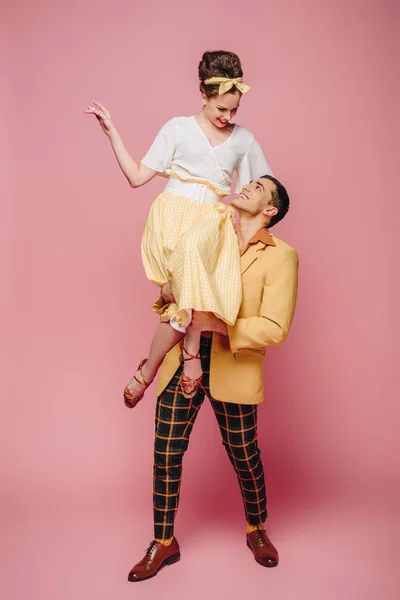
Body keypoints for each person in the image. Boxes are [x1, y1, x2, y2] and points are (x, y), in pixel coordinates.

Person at [127, 174, 299, 582]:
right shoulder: (209, 230)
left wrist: (219, 325)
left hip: (234, 364)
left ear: (270, 210)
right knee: (165, 452)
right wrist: (171, 290)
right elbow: (174, 286)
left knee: (244, 453)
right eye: (249, 182)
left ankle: (257, 529)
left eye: (258, 188)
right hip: (181, 360)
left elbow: (275, 326)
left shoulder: (282, 256)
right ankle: (163, 540)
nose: (246, 187)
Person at [85, 50, 273, 402]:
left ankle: (151, 370)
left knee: (186, 291)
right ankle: (189, 358)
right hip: (170, 219)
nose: (227, 117)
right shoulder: (176, 128)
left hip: (210, 223)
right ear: (203, 94)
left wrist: (256, 236)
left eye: (234, 111)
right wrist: (112, 133)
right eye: (221, 109)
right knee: (187, 285)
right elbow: (138, 177)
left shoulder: (244, 139)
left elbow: (255, 192)